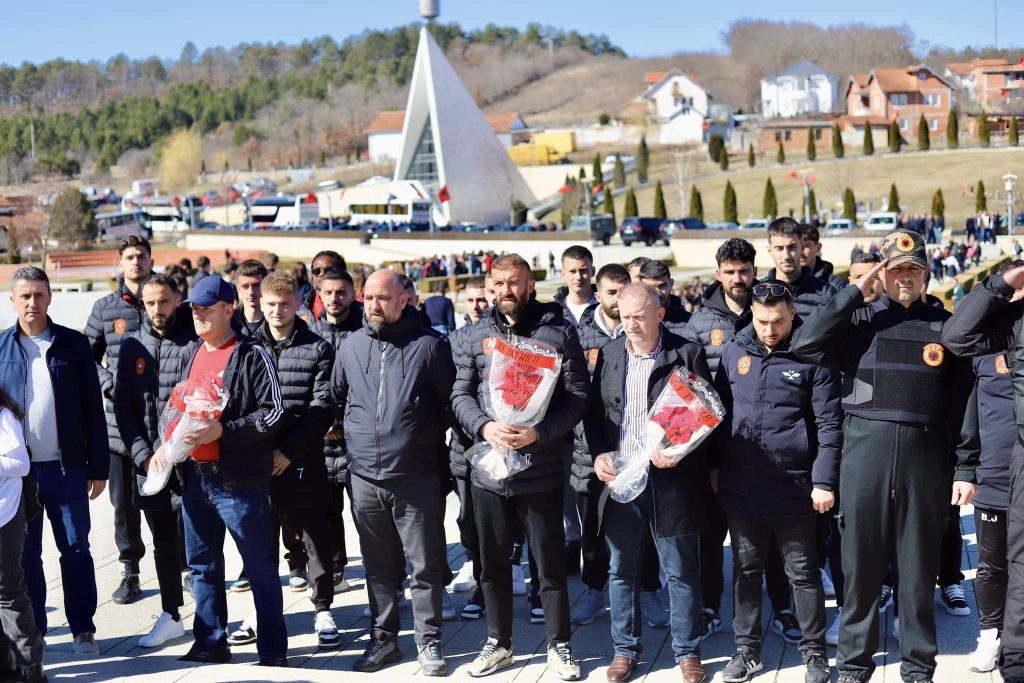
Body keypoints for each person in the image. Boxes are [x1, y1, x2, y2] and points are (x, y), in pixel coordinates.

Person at [791, 231, 977, 683]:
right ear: (884, 274)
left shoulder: (945, 327)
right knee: (860, 569)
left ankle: (917, 668)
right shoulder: (859, 323)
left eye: (913, 270)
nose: (905, 278)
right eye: (896, 271)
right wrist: (855, 291)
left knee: (917, 572)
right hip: (865, 457)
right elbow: (803, 343)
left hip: (925, 459)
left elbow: (964, 403)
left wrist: (966, 466)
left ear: (927, 274)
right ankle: (855, 665)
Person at [451, 254, 588, 680]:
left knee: (548, 566)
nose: (507, 291)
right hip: (488, 472)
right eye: (500, 283)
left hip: (540, 468)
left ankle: (560, 646)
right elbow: (460, 394)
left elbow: (578, 397)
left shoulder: (558, 331)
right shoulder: (476, 335)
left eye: (516, 283)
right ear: (490, 286)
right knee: (491, 564)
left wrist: (540, 433)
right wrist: (485, 426)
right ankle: (499, 643)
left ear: (530, 285)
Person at [713, 280, 840, 683]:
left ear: (792, 315)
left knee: (802, 572)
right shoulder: (734, 350)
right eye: (763, 320)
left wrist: (824, 481)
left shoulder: (811, 354)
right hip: (742, 486)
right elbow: (719, 411)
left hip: (795, 487)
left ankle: (814, 654)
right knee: (746, 571)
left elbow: (829, 424)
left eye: (779, 321)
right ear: (751, 312)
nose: (770, 330)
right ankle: (747, 651)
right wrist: (714, 467)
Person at [330, 270, 455, 676]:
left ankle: (429, 641)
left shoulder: (431, 346)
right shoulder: (350, 345)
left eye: (382, 298)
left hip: (415, 476)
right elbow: (336, 397)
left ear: (405, 299)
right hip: (365, 477)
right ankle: (384, 640)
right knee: (378, 566)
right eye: (367, 298)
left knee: (425, 566)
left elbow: (450, 406)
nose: (372, 305)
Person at [586, 282, 712, 683]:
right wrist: (600, 455)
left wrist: (681, 452)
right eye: (624, 317)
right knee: (621, 569)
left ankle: (687, 653)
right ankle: (625, 651)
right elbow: (593, 415)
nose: (632, 325)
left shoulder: (685, 353)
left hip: (671, 481)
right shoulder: (608, 354)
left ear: (660, 313)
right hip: (623, 479)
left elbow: (706, 411)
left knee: (680, 570)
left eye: (640, 316)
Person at [163, 275, 288, 666]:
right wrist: (165, 446)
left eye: (206, 307)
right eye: (194, 308)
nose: (198, 314)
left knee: (258, 569)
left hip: (239, 481)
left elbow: (274, 412)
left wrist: (225, 431)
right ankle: (210, 642)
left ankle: (272, 651)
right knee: (202, 565)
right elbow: (176, 406)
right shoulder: (190, 352)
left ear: (228, 308)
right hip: (195, 480)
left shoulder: (253, 354)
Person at [682, 238, 797, 640]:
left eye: (744, 270)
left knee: (775, 543)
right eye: (729, 272)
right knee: (714, 536)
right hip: (719, 449)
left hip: (768, 452)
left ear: (755, 270)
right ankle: (711, 605)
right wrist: (709, 460)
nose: (738, 278)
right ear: (718, 274)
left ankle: (783, 608)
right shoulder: (700, 323)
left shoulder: (770, 309)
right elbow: (691, 387)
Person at [0, 267, 107, 655]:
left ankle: (83, 629)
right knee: (26, 556)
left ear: (49, 298)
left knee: (76, 549)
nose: (33, 302)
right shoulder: (1, 348)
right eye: (25, 296)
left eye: (39, 295)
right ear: (13, 300)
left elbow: (94, 410)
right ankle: (36, 631)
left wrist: (98, 467)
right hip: (19, 476)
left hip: (66, 469)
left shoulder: (73, 345)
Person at [939, 259, 1024, 683]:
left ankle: (1016, 638)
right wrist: (966, 468)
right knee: (992, 565)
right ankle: (990, 633)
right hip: (992, 473)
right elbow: (969, 416)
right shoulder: (988, 342)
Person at [571, 264, 667, 630]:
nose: (617, 301)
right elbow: (587, 404)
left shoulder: (657, 335)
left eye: (622, 292)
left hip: (649, 463)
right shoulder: (584, 336)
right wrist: (596, 453)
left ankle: (649, 593)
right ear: (599, 296)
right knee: (596, 538)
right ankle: (595, 593)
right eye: (611, 293)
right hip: (597, 461)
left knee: (643, 543)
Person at [113, 272, 197, 649]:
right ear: (141, 304)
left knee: (202, 544)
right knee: (163, 543)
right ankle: (171, 614)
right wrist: (144, 456)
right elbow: (123, 408)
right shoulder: (131, 346)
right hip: (151, 466)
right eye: (151, 303)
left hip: (193, 463)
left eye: (165, 301)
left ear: (177, 299)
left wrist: (181, 449)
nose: (158, 309)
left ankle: (214, 615)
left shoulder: (195, 341)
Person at [255, 272, 339, 648]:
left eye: (285, 303)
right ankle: (264, 612)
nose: (277, 311)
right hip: (256, 464)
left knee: (315, 539)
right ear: (260, 303)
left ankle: (322, 608)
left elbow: (322, 409)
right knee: (259, 542)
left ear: (298, 304)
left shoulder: (318, 348)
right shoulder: (246, 346)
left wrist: (288, 452)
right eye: (270, 304)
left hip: (304, 461)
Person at [85, 235, 152, 605]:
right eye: (129, 257)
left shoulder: (166, 300)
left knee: (172, 503)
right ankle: (131, 571)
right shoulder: (105, 308)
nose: (136, 262)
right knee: (124, 505)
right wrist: (108, 384)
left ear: (150, 258)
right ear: (121, 262)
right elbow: (87, 356)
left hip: (161, 422)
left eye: (141, 256)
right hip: (118, 427)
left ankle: (185, 568)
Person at [446, 276, 501, 619]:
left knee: (499, 524)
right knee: (469, 517)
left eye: (483, 298)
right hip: (466, 445)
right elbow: (450, 393)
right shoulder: (452, 340)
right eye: (471, 300)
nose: (478, 306)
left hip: (504, 443)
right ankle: (476, 568)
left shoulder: (503, 336)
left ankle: (498, 577)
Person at [309, 268, 363, 594]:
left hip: (355, 443)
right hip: (319, 446)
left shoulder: (365, 331)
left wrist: (341, 422)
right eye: (327, 292)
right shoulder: (310, 333)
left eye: (341, 292)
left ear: (352, 293)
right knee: (327, 515)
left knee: (367, 516)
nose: (334, 298)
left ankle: (390, 576)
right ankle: (336, 571)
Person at [0, 385, 45, 682]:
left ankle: (30, 664)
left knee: (8, 592)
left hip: (5, 513)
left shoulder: (3, 415)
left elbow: (21, 463)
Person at [765, 217, 836, 318]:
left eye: (792, 247)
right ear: (770, 250)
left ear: (802, 248)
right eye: (779, 248)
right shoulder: (758, 292)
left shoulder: (827, 294)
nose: (786, 256)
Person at [637, 260, 690, 331]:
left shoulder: (691, 322)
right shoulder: (632, 323)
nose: (657, 292)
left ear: (671, 284)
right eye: (650, 287)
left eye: (661, 286)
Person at [554, 246, 597, 325]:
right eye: (572, 271)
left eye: (583, 270)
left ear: (593, 271)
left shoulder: (606, 309)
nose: (578, 277)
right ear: (563, 274)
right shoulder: (552, 313)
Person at [303, 251, 347, 321]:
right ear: (312, 277)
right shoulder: (298, 314)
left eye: (329, 270)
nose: (322, 274)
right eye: (317, 271)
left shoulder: (361, 314)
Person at [800, 224, 846, 291]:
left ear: (818, 247)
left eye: (806, 246)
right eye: (796, 246)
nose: (801, 252)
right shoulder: (783, 283)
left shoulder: (835, 286)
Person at [232, 259, 267, 339]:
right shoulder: (229, 323)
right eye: (245, 286)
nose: (251, 292)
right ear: (238, 289)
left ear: (265, 286)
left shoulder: (277, 322)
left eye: (256, 285)